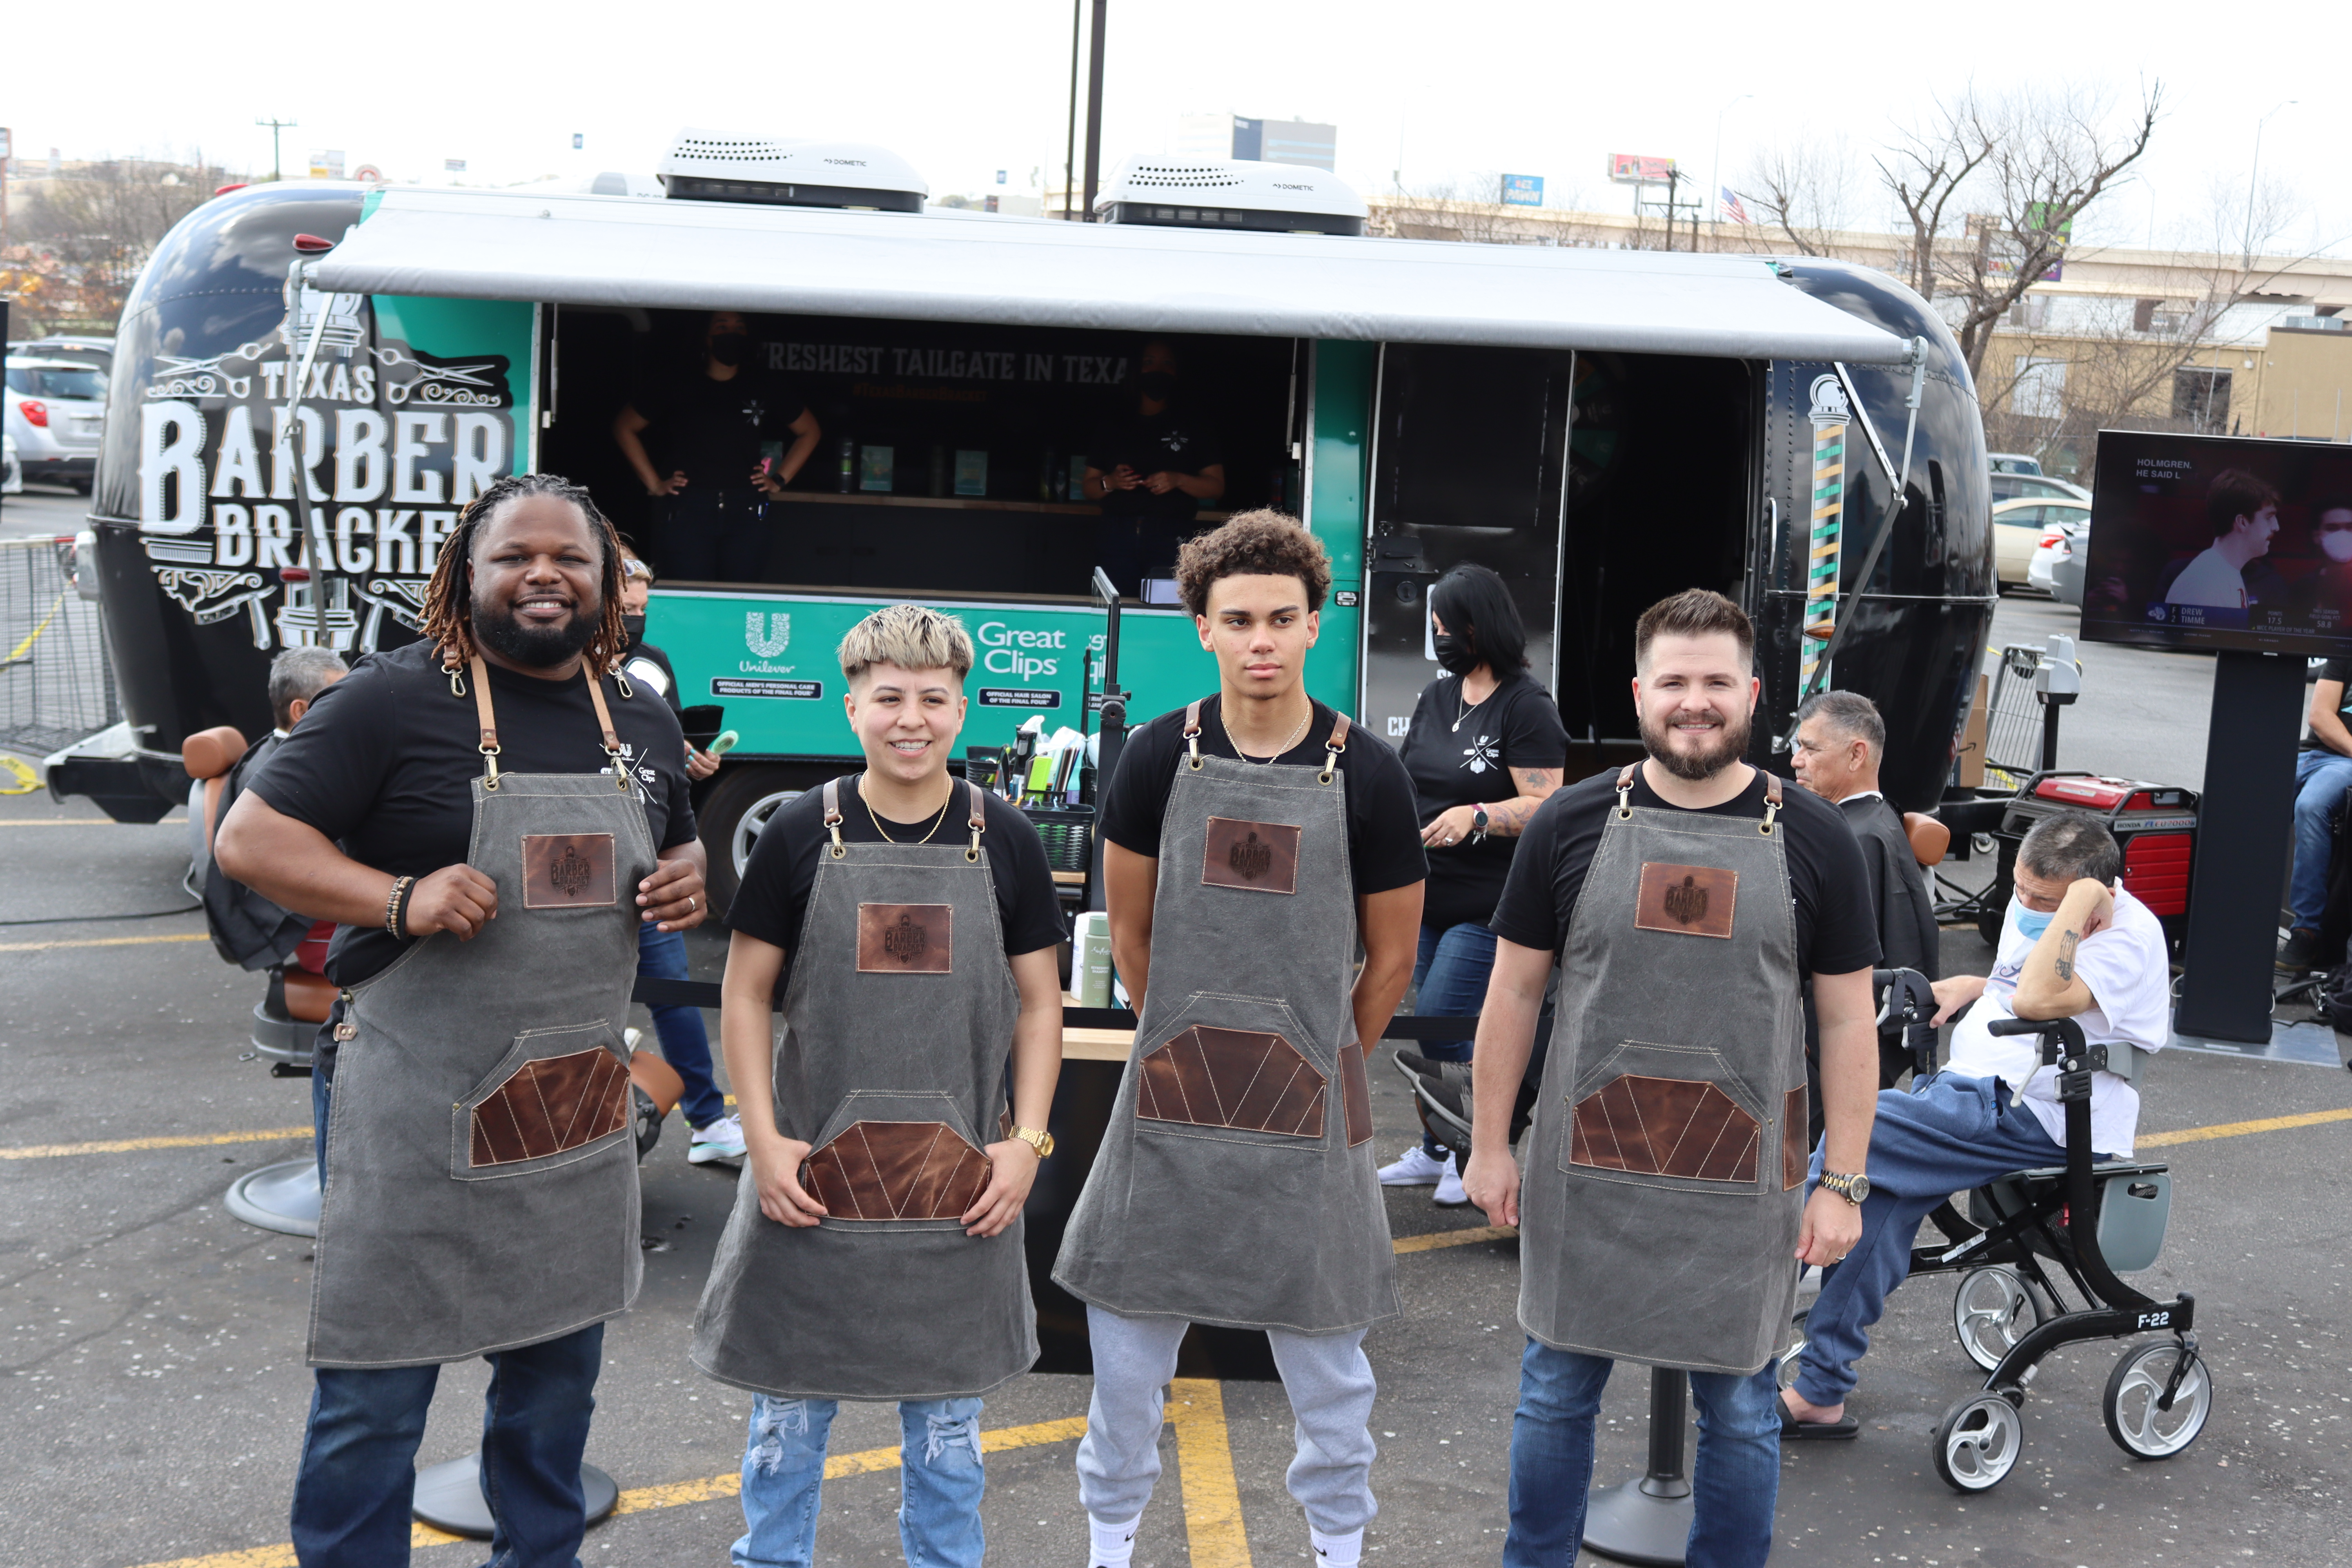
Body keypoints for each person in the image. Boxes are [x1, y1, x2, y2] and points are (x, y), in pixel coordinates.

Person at [214, 473, 708, 1568]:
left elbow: (672, 835)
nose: (544, 575)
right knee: (376, 1391)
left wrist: (687, 870)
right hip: (415, 1087)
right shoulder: (391, 700)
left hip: (573, 1100)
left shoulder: (636, 711)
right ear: (465, 576)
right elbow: (249, 841)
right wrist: (401, 898)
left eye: (570, 559)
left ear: (606, 584)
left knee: (551, 1394)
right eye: (515, 557)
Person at [1461, 588, 1881, 1568]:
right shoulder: (1566, 824)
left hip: (1745, 1190)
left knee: (1739, 1413)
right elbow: (1513, 998)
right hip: (1585, 1175)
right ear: (1641, 690)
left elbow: (1847, 1018)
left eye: (1717, 683)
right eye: (1677, 682)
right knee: (1554, 1394)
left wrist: (1843, 1178)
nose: (1696, 702)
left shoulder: (1818, 837)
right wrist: (1488, 1143)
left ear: (1754, 693)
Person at [1057, 511, 1425, 1568]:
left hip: (1311, 1111)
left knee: (1331, 1375)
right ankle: (1108, 1548)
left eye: (1281, 618)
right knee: (1125, 1362)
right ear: (1204, 631)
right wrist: (1186, 1038)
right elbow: (1127, 930)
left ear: (1314, 627)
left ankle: (1336, 1552)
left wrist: (1316, 1062)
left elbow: (1391, 960)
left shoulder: (1372, 774)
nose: (1261, 638)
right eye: (1238, 620)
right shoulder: (1153, 757)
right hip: (1169, 1102)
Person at [691, 603, 1066, 1568]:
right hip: (810, 1180)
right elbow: (743, 994)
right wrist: (761, 1135)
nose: (912, 717)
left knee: (947, 1440)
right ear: (851, 705)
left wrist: (1025, 1143)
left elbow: (1038, 1006)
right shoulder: (796, 835)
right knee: (786, 1423)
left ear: (961, 707)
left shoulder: (1008, 838)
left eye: (934, 698)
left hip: (958, 1195)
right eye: (889, 696)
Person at [1781, 811, 2170, 1439]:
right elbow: (2021, 979)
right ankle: (1821, 1392)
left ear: (2095, 893)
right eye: (2020, 889)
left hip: (2036, 1111)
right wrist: (1977, 982)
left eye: (2047, 901)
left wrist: (2080, 910)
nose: (2026, 904)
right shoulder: (2041, 907)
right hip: (1976, 1093)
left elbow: (2041, 998)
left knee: (1860, 1126)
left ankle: (1754, 1279)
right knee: (1877, 1199)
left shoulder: (2128, 938)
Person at [1381, 563, 1564, 1207]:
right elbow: (1411, 783)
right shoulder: (1438, 696)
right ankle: (1437, 1149)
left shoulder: (1527, 706)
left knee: (1443, 1024)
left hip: (1490, 902)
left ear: (1478, 625)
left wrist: (1478, 815)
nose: (1436, 636)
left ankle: (1479, 1148)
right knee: (1435, 1019)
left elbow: (1547, 806)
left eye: (1444, 624)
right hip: (1427, 893)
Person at [614, 551, 742, 1160]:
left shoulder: (653, 665)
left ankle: (709, 1123)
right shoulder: (547, 668)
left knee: (674, 992)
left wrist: (696, 762)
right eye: (627, 604)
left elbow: (670, 752)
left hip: (648, 860)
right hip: (578, 870)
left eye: (644, 607)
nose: (636, 618)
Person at [1792, 690, 1943, 1135]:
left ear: (1857, 755)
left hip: (1827, 1054)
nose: (1797, 760)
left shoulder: (1856, 842)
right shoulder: (1868, 824)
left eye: (1810, 748)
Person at [613, 309, 821, 584]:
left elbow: (810, 432)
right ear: (706, 337)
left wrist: (778, 480)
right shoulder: (678, 381)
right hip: (689, 507)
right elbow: (625, 427)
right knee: (690, 594)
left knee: (741, 595)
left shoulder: (763, 383)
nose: (731, 334)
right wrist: (654, 483)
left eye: (739, 327)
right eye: (722, 326)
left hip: (746, 508)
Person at [202, 646, 347, 971]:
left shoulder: (293, 756)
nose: (355, 708)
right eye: (341, 699)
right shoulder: (279, 780)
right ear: (301, 711)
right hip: (315, 928)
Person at [1084, 338, 1226, 596]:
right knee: (1115, 612)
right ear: (1136, 370)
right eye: (1149, 363)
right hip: (1117, 534)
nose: (1157, 370)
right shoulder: (1114, 423)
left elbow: (1216, 487)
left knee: (1166, 609)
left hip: (1170, 535)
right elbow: (1090, 487)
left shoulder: (1193, 423)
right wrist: (1111, 483)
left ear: (1177, 371)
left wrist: (1178, 480)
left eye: (1167, 363)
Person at [2279, 502, 2352, 974]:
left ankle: (2307, 932)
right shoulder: (2347, 647)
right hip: (2317, 752)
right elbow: (2322, 715)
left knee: (2311, 808)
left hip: (2343, 765)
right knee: (2238, 798)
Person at [2165, 468, 2279, 610]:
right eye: (2269, 518)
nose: (2276, 527)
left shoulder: (2224, 571)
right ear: (2242, 522)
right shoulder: (2204, 583)